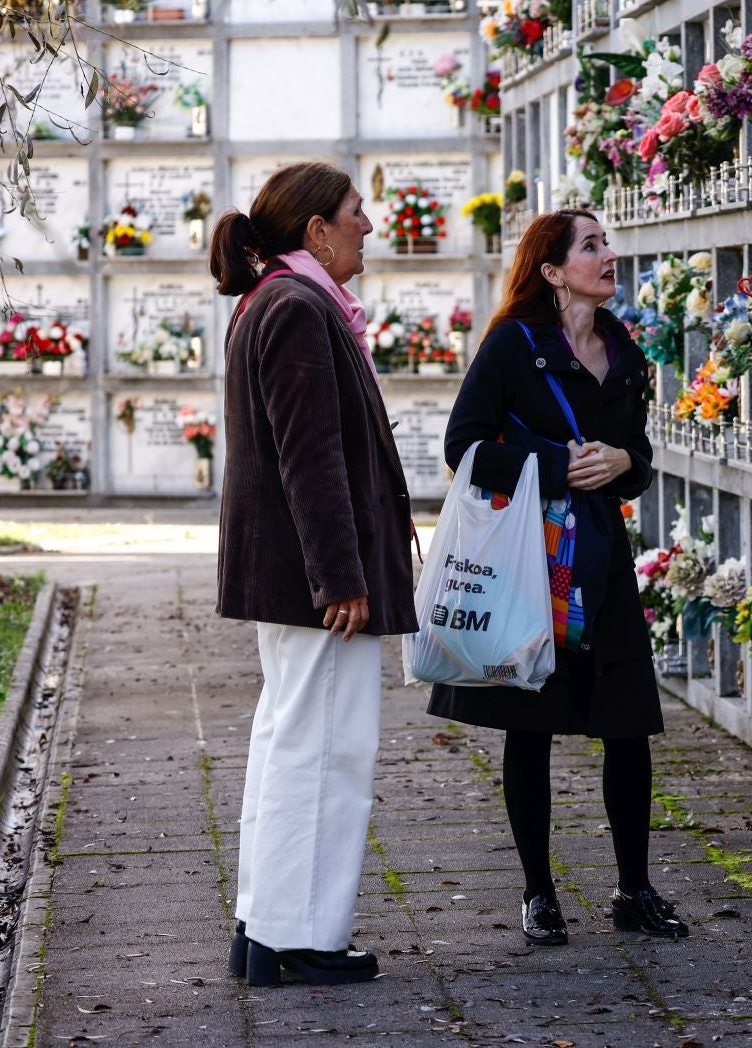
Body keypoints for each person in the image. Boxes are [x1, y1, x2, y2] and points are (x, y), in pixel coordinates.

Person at [432, 208, 687, 944]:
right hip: (531, 562)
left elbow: (636, 456)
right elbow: (463, 446)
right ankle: (539, 894)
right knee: (530, 725)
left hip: (601, 559)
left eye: (606, 242)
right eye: (592, 246)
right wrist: (555, 466)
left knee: (628, 724)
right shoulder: (514, 345)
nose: (610, 255)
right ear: (551, 270)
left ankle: (634, 889)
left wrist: (625, 467)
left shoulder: (623, 349)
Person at [210, 161, 416, 986]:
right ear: (315, 230)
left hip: (294, 580)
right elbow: (311, 458)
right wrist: (342, 578)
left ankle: (264, 928)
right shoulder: (298, 308)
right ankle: (302, 938)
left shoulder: (281, 300)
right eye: (355, 213)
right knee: (325, 752)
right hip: (317, 586)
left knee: (290, 744)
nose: (368, 225)